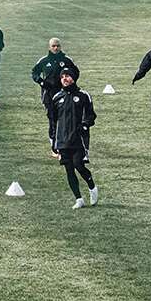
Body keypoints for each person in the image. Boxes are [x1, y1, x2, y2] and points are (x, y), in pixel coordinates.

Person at [51, 67, 98, 209]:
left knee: (79, 165)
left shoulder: (83, 95)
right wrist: (53, 141)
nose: (65, 79)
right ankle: (78, 199)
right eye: (62, 76)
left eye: (68, 76)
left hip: (79, 139)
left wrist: (84, 125)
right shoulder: (57, 97)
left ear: (74, 78)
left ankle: (92, 187)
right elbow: (53, 121)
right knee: (69, 169)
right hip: (63, 140)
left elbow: (91, 116)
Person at [32, 38, 79, 157]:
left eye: (57, 46)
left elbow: (76, 72)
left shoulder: (66, 60)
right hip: (48, 95)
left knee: (64, 120)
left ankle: (65, 145)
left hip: (64, 95)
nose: (55, 48)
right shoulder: (44, 60)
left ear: (60, 47)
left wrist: (70, 83)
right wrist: (41, 82)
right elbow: (34, 73)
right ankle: (54, 147)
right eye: (53, 46)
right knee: (52, 120)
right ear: (49, 47)